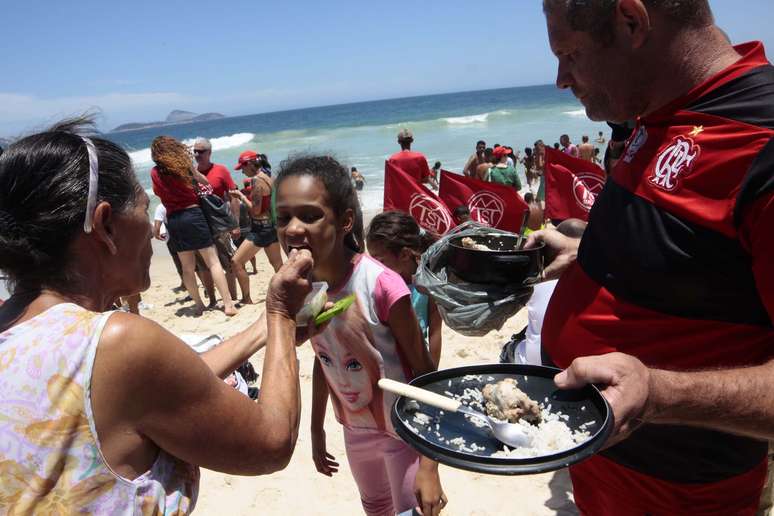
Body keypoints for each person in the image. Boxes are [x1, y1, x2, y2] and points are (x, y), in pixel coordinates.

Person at [0, 118, 320, 513]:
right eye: (142, 207)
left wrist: (263, 332)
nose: (153, 231)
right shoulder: (117, 341)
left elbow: (170, 382)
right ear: (104, 226)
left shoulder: (14, 324)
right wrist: (282, 317)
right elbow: (272, 442)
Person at [529, 1, 774, 514]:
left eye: (570, 53)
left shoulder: (761, 143)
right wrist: (587, 250)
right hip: (602, 476)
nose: (559, 78)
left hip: (681, 495)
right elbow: (695, 254)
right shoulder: (660, 111)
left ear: (632, 22)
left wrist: (660, 393)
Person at [274, 155, 446, 516]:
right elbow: (324, 358)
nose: (292, 229)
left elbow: (426, 373)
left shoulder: (382, 285)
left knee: (412, 510)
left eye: (309, 215)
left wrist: (430, 466)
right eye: (283, 217)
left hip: (404, 430)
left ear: (345, 221)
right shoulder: (300, 287)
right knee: (375, 506)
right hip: (355, 429)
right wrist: (317, 429)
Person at [151, 136, 237, 316]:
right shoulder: (183, 166)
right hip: (193, 215)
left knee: (187, 267)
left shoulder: (154, 172)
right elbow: (204, 181)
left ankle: (199, 305)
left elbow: (158, 193)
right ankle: (228, 305)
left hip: (174, 219)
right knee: (212, 261)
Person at [366, 211, 443, 367]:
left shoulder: (428, 284)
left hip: (415, 363)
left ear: (404, 255)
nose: (374, 265)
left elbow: (435, 333)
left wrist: (432, 375)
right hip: (385, 363)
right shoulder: (376, 281)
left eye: (379, 259)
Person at [230, 150, 283, 304]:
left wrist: (241, 197)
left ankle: (246, 299)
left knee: (236, 262)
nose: (242, 171)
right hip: (272, 226)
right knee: (277, 264)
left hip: (261, 229)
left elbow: (255, 210)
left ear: (251, 164)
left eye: (243, 167)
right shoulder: (270, 177)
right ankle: (288, 292)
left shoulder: (257, 181)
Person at [193, 137, 240, 301]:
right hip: (200, 225)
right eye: (195, 151)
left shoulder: (221, 170)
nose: (197, 154)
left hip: (220, 225)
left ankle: (233, 296)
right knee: (203, 265)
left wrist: (235, 224)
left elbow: (234, 197)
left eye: (201, 151)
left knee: (228, 262)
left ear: (209, 152)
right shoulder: (192, 174)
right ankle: (212, 299)